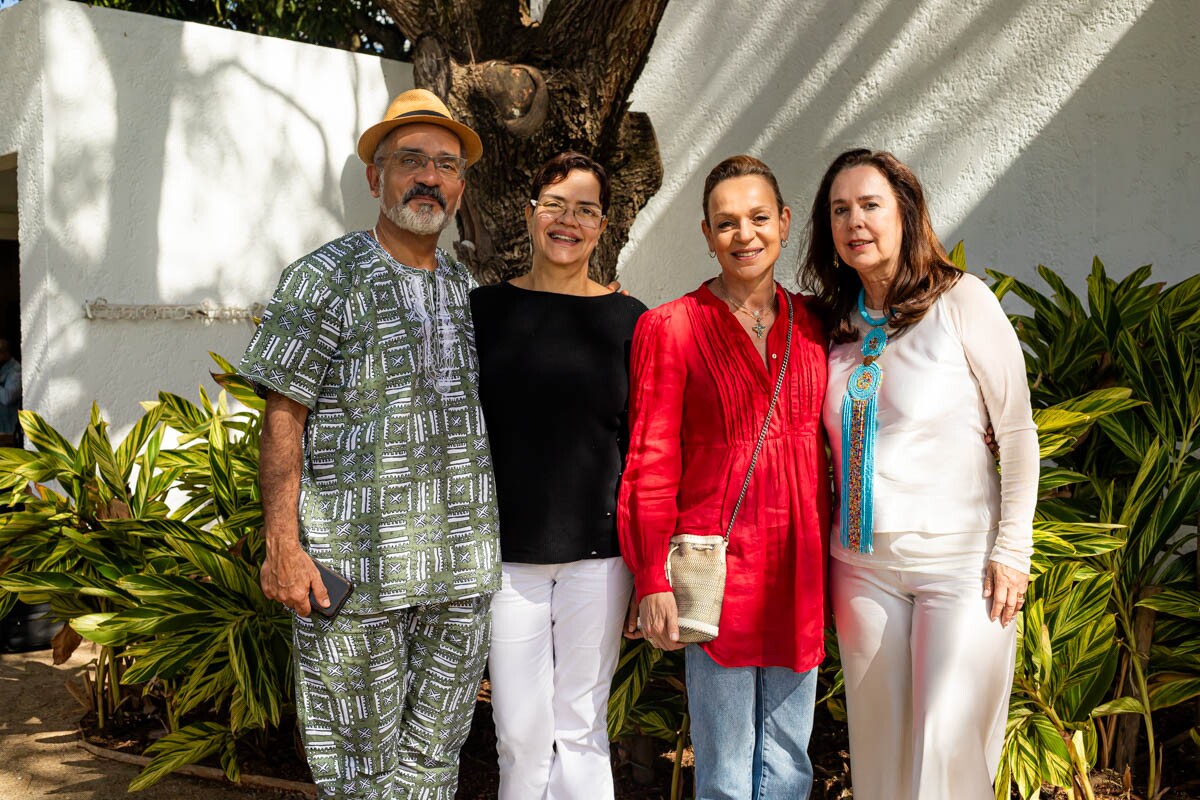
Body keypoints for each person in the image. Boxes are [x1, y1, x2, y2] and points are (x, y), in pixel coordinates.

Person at [238, 89, 500, 800]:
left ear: (461, 186)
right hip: (355, 578)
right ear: (374, 176)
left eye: (445, 164)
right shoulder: (323, 278)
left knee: (434, 769)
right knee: (358, 778)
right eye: (409, 159)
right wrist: (282, 546)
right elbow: (282, 417)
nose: (428, 177)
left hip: (458, 575)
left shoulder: (465, 288)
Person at [799, 148, 1039, 800]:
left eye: (870, 205)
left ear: (905, 212)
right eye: (840, 209)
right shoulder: (834, 324)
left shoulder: (963, 301)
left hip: (959, 571)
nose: (855, 222)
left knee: (944, 760)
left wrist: (1013, 549)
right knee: (880, 768)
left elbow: (1016, 431)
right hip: (862, 572)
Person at [619, 155, 830, 799]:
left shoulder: (819, 322)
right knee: (726, 768)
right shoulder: (671, 327)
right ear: (707, 235)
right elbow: (650, 459)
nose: (746, 235)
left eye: (759, 217)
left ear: (785, 222)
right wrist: (652, 577)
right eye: (727, 222)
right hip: (717, 568)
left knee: (791, 760)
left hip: (800, 564)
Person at [470, 151, 647, 800]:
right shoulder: (482, 312)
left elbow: (643, 447)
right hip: (507, 560)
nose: (568, 221)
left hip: (599, 560)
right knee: (518, 733)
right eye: (555, 206)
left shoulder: (632, 321)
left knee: (581, 727)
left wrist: (647, 566)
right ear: (530, 216)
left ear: (603, 226)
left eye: (585, 209)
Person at [0, 337, 21, 448]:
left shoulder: (15, 370)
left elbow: (8, 398)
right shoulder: (2, 368)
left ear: (4, 353)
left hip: (8, 431)